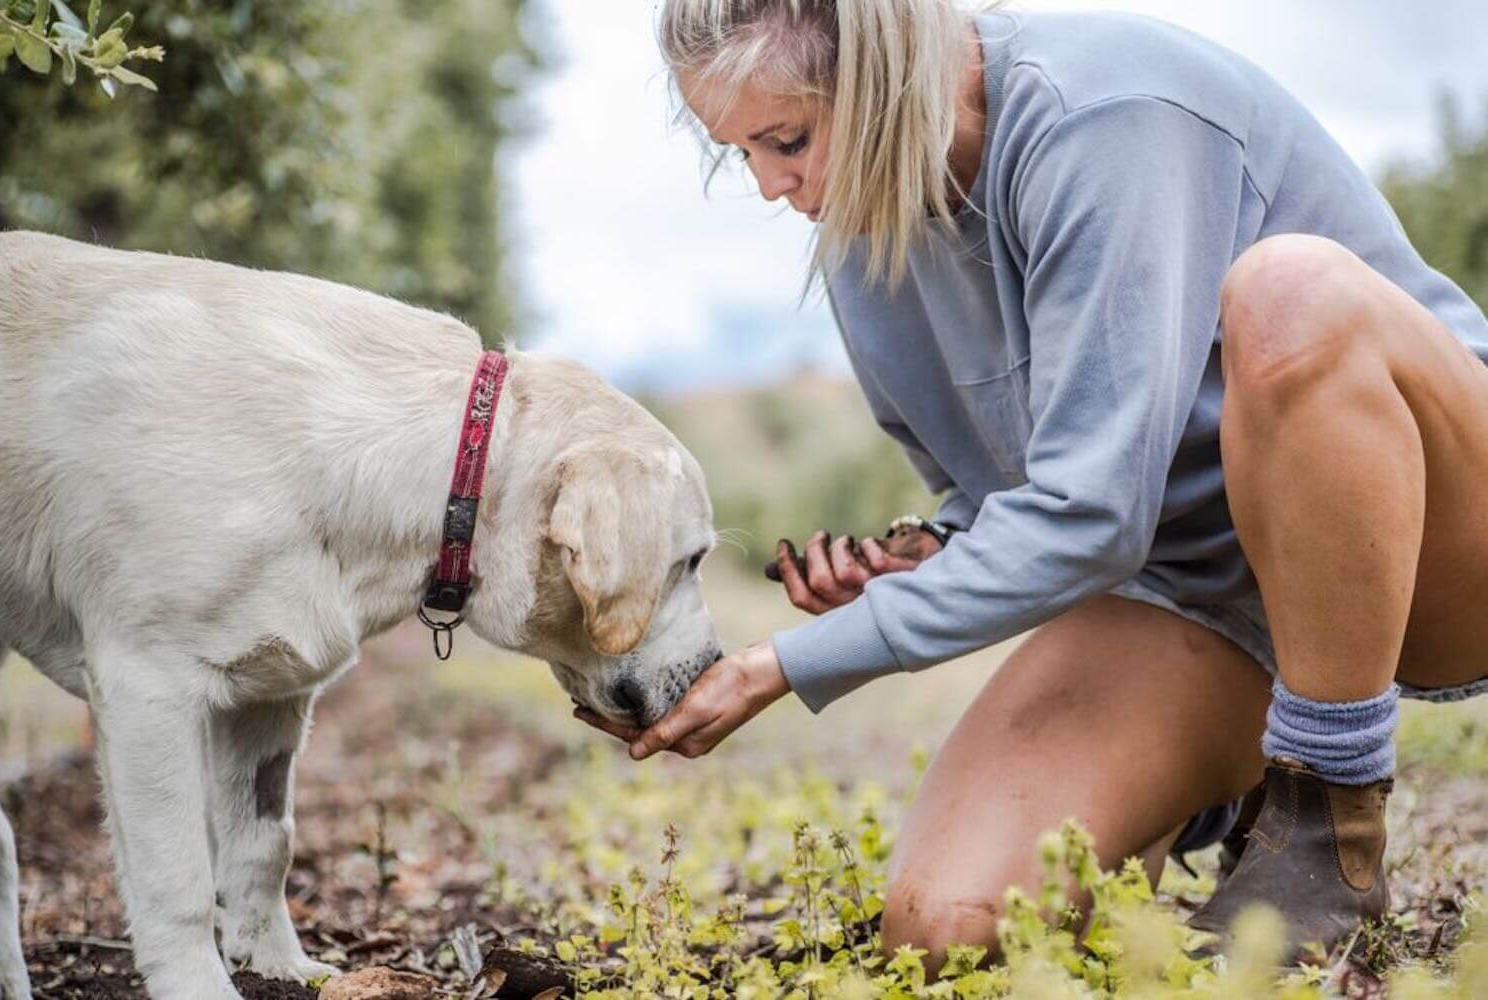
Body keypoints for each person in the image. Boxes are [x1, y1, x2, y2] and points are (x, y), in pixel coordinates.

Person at [576, 0, 1488, 970]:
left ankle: (1327, 822)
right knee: (951, 931)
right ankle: (1229, 785)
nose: (768, 185)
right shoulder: (860, 246)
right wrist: (930, 554)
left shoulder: (1103, 112)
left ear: (885, 70)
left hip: (1438, 533)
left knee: (1291, 294)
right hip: (1204, 599)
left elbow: (1092, 515)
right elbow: (1017, 486)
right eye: (739, 154)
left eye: (786, 139)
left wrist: (786, 662)